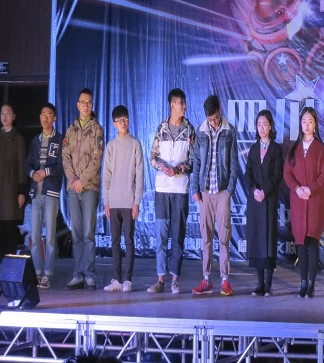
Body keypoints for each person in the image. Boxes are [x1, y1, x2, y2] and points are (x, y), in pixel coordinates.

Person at [148, 88, 195, 295]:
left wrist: (178, 169)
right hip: (162, 190)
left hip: (180, 190)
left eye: (184, 103)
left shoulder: (189, 130)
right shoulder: (161, 129)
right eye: (181, 103)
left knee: (177, 236)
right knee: (161, 236)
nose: (184, 106)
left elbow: (193, 160)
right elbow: (152, 156)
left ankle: (175, 280)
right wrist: (162, 167)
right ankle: (160, 279)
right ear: (172, 105)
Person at [191, 95, 239, 296]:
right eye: (210, 119)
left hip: (222, 192)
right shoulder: (201, 131)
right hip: (205, 193)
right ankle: (207, 279)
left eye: (216, 117)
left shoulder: (229, 131)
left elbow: (234, 162)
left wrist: (229, 190)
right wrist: (195, 188)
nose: (213, 122)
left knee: (224, 237)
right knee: (206, 237)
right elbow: (196, 161)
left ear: (220, 110)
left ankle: (225, 280)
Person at [283, 106, 324, 298]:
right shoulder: (294, 148)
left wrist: (310, 189)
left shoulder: (320, 149)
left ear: (315, 124)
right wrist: (297, 189)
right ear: (300, 125)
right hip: (298, 202)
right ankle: (302, 282)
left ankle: (311, 283)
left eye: (310, 121)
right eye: (304, 122)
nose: (307, 125)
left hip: (314, 200)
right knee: (300, 243)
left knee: (312, 241)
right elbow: (287, 173)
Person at [62, 88, 104, 290]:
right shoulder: (71, 130)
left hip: (89, 187)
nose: (86, 106)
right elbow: (65, 157)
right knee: (76, 233)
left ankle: (89, 274)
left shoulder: (97, 129)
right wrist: (73, 180)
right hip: (73, 187)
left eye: (89, 103)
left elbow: (97, 158)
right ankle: (77, 274)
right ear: (78, 105)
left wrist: (82, 181)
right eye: (83, 102)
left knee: (88, 232)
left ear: (92, 105)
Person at [102, 105, 144, 293]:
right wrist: (106, 201)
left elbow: (140, 175)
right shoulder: (111, 146)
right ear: (114, 124)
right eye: (119, 121)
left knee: (129, 240)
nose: (123, 123)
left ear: (128, 119)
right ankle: (116, 280)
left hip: (128, 201)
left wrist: (137, 201)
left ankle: (128, 280)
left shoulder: (135, 144)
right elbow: (106, 175)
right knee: (114, 242)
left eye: (125, 119)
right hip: (113, 200)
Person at [245, 109, 284, 297]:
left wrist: (265, 191)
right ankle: (259, 283)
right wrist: (255, 190)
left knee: (268, 241)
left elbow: (277, 175)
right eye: (259, 124)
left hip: (268, 200)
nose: (261, 128)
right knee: (256, 241)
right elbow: (248, 174)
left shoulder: (276, 149)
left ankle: (268, 285)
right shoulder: (253, 149)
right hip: (255, 202)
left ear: (270, 127)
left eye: (265, 124)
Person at [26, 103, 64, 290]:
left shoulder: (60, 139)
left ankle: (47, 275)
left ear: (54, 118)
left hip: (51, 192)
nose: (45, 117)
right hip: (36, 192)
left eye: (49, 114)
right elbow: (28, 164)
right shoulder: (36, 140)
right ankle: (38, 272)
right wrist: (32, 173)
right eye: (43, 114)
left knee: (49, 236)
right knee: (34, 236)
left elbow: (61, 166)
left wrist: (45, 172)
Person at [0, 103, 27, 263]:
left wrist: (21, 190)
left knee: (11, 228)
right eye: (2, 113)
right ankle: (2, 266)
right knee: (0, 228)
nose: (5, 116)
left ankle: (11, 267)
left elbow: (21, 165)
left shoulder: (18, 139)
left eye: (8, 113)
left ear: (13, 116)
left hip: (12, 190)